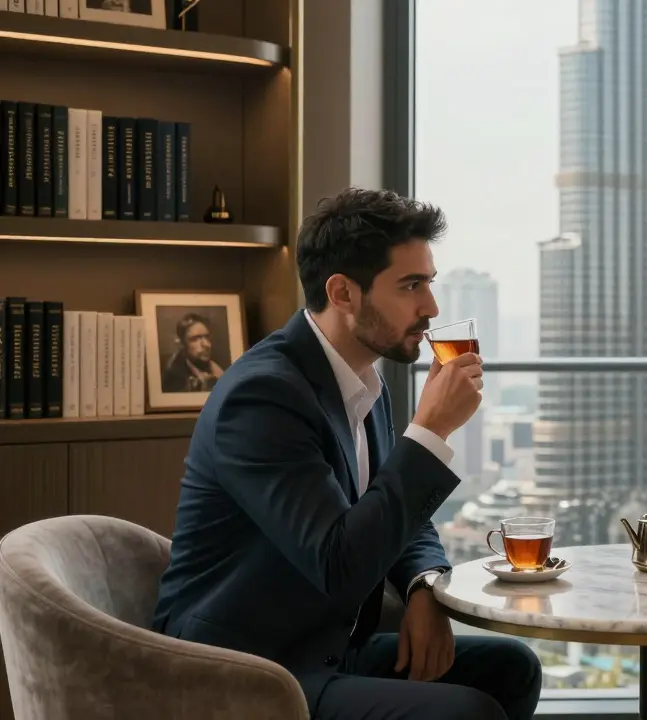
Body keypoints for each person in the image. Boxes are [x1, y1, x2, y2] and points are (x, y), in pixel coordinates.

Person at [151, 187, 542, 720]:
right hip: (245, 668)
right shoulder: (263, 397)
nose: (431, 307)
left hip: (327, 649)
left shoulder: (361, 379)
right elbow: (339, 564)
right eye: (411, 286)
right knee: (466, 711)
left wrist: (424, 587)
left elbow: (394, 507)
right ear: (343, 293)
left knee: (512, 667)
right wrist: (430, 430)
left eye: (428, 282)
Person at [160, 312, 225, 392]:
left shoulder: (217, 367)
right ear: (182, 344)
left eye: (207, 337)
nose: (207, 344)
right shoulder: (172, 378)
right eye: (195, 339)